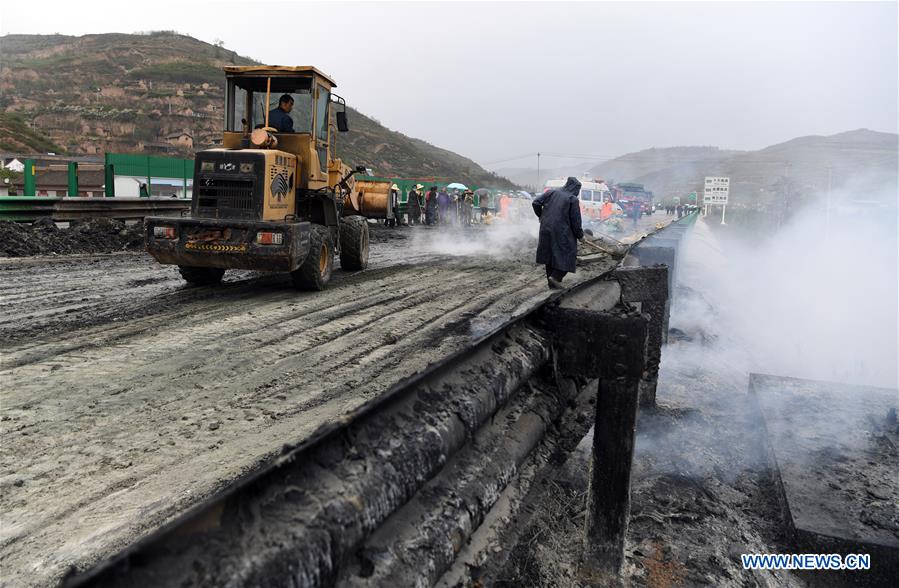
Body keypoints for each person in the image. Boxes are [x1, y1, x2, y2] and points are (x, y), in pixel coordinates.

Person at [532, 177, 583, 290]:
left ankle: (552, 285)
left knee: (548, 255)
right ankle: (555, 277)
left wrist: (541, 216)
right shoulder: (572, 199)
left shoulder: (551, 192)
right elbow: (576, 221)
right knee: (569, 253)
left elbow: (535, 202)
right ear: (575, 188)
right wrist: (580, 235)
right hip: (562, 231)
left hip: (546, 228)